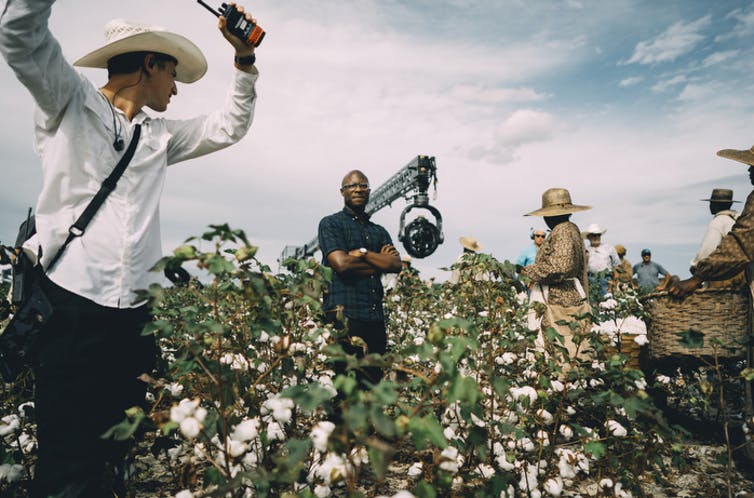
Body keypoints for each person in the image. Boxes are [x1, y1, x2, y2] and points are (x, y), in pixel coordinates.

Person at [0, 2, 260, 496]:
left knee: (116, 449)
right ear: (149, 64)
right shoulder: (70, 102)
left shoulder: (158, 136)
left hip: (133, 321)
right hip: (69, 308)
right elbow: (20, 34)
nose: (176, 87)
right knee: (65, 460)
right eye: (173, 73)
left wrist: (244, 60)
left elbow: (228, 125)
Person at [318, 170, 401, 390]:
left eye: (363, 186)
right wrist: (377, 262)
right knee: (343, 387)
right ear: (342, 192)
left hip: (374, 320)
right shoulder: (331, 224)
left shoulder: (378, 231)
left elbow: (395, 265)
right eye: (352, 186)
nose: (357, 189)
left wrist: (362, 254)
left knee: (371, 387)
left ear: (369, 191)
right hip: (344, 318)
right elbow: (341, 264)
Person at [670, 146, 754, 297]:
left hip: (722, 276)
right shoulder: (734, 217)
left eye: (751, 166)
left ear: (715, 205)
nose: (749, 171)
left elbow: (739, 244)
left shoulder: (718, 223)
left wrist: (697, 276)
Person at [521, 188, 591, 358]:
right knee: (570, 340)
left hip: (560, 296)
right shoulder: (568, 229)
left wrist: (529, 271)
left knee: (561, 342)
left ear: (550, 216)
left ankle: (562, 378)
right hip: (567, 294)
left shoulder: (563, 231)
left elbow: (560, 267)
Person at [690, 188, 745, 288]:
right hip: (742, 275)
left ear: (716, 205)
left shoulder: (718, 222)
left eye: (712, 203)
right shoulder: (736, 220)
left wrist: (696, 267)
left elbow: (707, 250)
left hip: (724, 278)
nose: (710, 206)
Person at [583, 223, 620, 299]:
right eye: (593, 235)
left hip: (606, 281)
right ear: (588, 237)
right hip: (590, 281)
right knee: (593, 306)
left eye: (598, 235)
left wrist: (614, 282)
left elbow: (617, 266)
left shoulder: (609, 248)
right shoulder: (585, 251)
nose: (596, 237)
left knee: (608, 305)